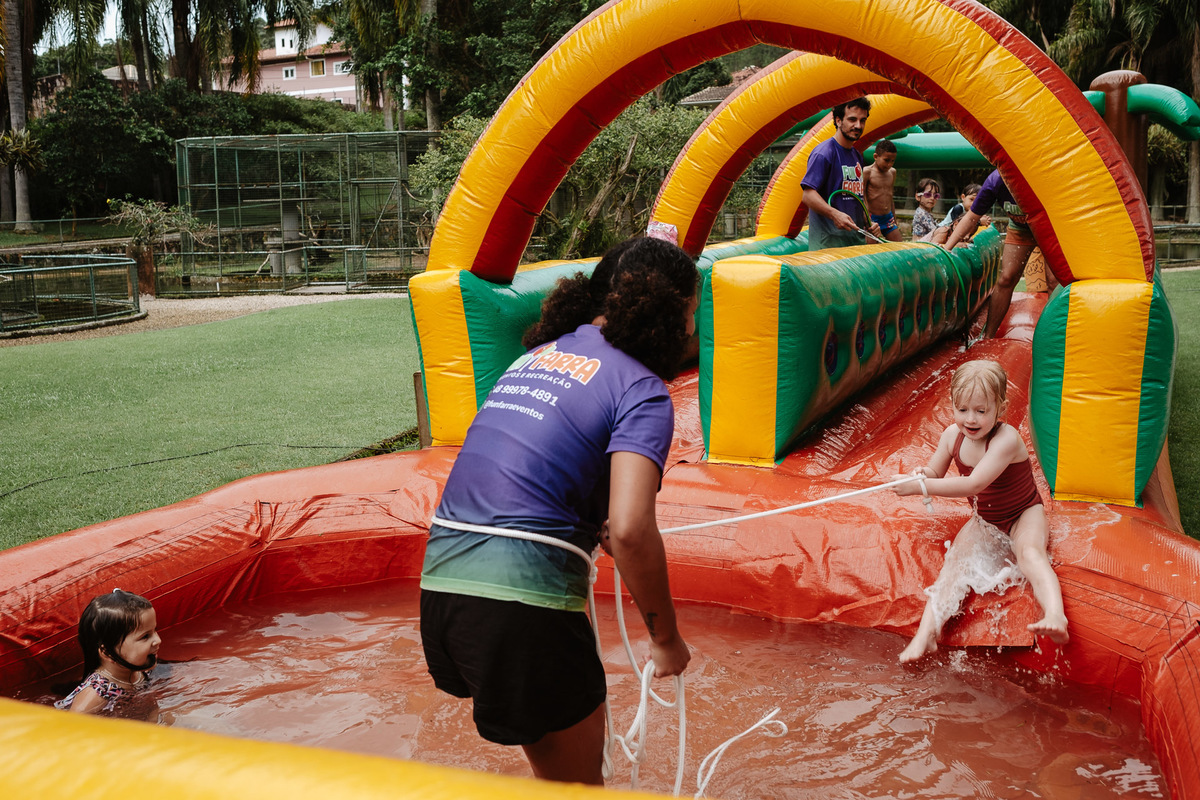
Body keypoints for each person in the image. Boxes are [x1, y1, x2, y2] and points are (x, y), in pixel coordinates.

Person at [420, 236, 696, 785]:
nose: (692, 328)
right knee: (577, 791)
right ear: (671, 312)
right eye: (692, 312)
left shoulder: (534, 358)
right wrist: (665, 639)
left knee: (557, 771)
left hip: (442, 591)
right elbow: (631, 529)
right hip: (520, 606)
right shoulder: (641, 389)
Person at [893, 360, 1068, 664]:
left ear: (1001, 408)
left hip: (1023, 514)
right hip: (985, 520)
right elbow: (935, 471)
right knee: (953, 565)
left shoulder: (1006, 440)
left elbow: (974, 484)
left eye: (981, 410)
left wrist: (921, 488)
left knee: (1030, 554)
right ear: (952, 405)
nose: (970, 419)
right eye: (962, 409)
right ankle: (925, 636)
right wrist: (921, 475)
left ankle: (1055, 615)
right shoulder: (952, 436)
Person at [943, 169, 1035, 338]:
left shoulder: (1038, 174)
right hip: (1020, 227)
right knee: (1006, 278)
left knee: (1054, 281)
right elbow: (971, 217)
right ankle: (988, 336)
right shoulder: (996, 180)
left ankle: (1057, 340)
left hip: (1050, 226)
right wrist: (947, 247)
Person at [56, 589, 161, 715]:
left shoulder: (140, 670)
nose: (158, 640)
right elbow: (72, 722)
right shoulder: (98, 693)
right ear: (107, 653)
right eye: (145, 636)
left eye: (155, 630)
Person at [801, 97, 883, 250]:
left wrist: (869, 223)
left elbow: (855, 197)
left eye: (862, 120)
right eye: (852, 119)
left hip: (854, 245)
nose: (858, 125)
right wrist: (834, 214)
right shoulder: (824, 153)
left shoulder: (856, 155)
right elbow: (808, 195)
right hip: (827, 248)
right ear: (838, 121)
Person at [863, 139, 902, 242]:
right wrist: (867, 220)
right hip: (872, 218)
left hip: (888, 218)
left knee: (899, 246)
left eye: (892, 161)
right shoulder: (867, 172)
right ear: (876, 156)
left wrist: (894, 219)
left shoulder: (892, 172)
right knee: (871, 249)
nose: (889, 164)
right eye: (886, 160)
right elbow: (862, 197)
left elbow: (890, 197)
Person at [910, 178, 949, 244]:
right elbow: (935, 230)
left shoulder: (927, 213)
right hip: (920, 244)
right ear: (918, 197)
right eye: (928, 195)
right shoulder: (921, 213)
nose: (932, 198)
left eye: (936, 196)